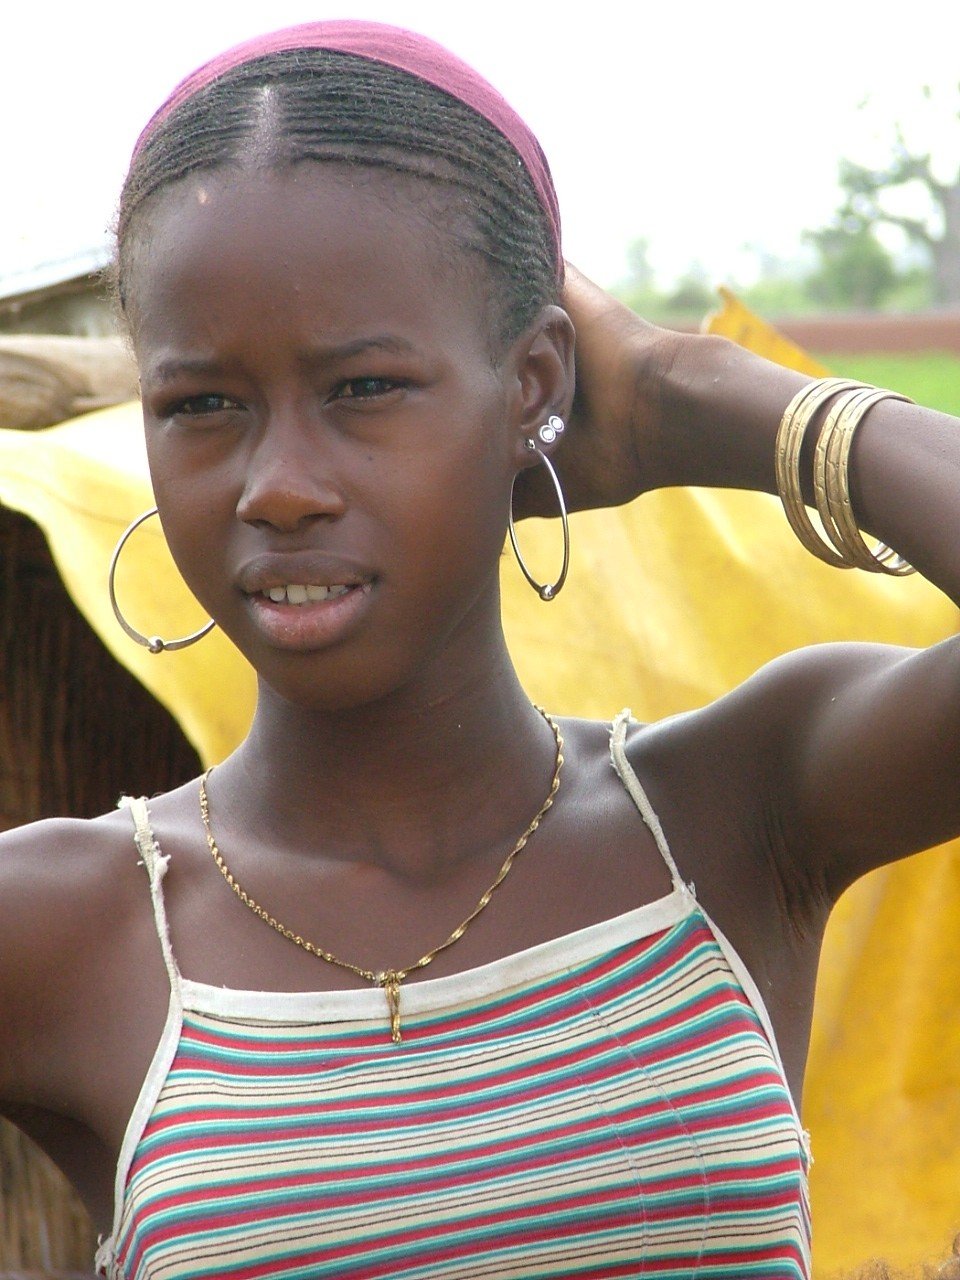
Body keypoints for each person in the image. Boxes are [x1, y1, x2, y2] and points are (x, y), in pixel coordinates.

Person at [0, 20, 957, 1280]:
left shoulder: (743, 808)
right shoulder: (66, 928)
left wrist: (693, 393)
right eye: (203, 404)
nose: (278, 485)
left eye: (365, 388)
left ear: (533, 383)